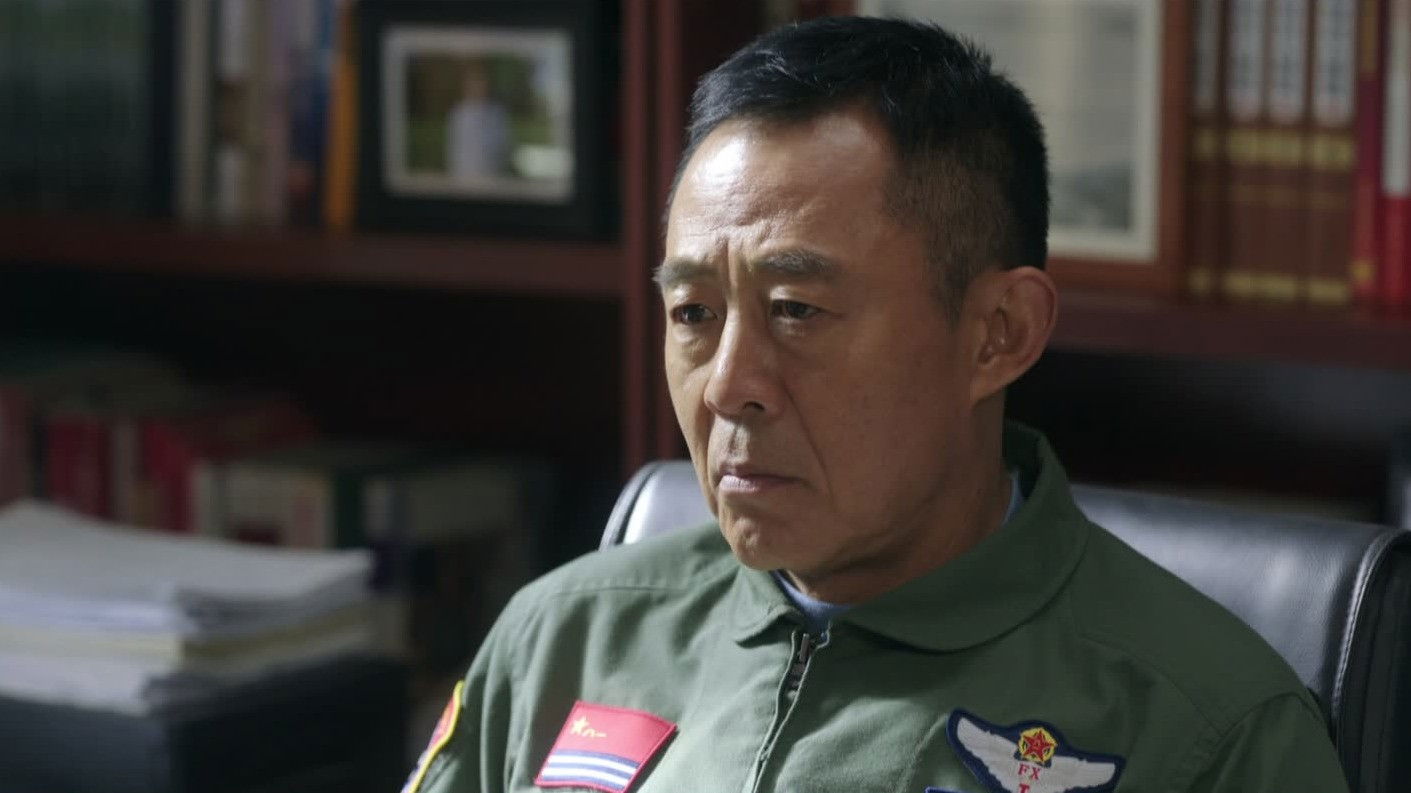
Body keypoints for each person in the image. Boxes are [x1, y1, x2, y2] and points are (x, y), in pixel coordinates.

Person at [403, 16, 1349, 793]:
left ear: (998, 333)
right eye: (693, 312)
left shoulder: (1211, 732)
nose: (727, 383)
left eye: (795, 309)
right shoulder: (563, 634)